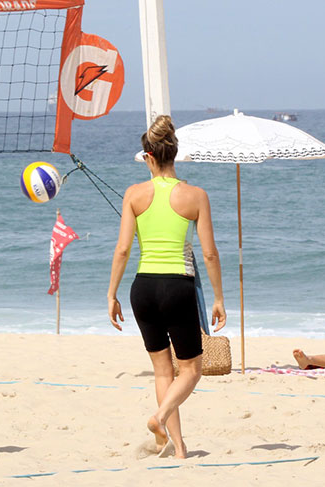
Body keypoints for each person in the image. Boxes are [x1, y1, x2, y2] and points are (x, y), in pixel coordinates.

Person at [107, 115, 226, 459]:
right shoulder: (195, 196)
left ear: (148, 156)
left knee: (163, 370)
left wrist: (112, 294)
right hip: (177, 287)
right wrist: (218, 298)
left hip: (142, 288)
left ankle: (177, 448)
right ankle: (159, 418)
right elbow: (209, 253)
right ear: (175, 155)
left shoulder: (134, 194)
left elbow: (123, 250)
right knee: (190, 370)